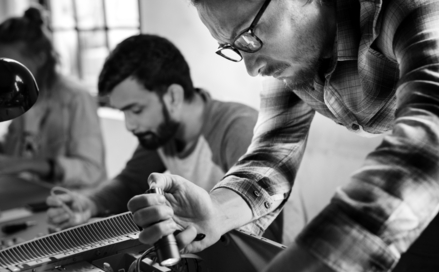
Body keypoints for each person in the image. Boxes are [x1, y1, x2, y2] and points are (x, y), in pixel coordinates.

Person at [127, 0, 439, 272]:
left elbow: (424, 155)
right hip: (429, 179)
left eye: (249, 36)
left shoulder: (415, 7)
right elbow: (273, 152)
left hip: (432, 163)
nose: (252, 68)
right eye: (234, 48)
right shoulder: (293, 54)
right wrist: (216, 211)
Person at [47, 34, 294, 243]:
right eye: (123, 112)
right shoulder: (162, 132)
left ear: (173, 96)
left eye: (136, 110)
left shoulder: (238, 130)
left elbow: (264, 232)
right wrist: (89, 203)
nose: (129, 125)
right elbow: (129, 183)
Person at [0, 6, 106, 189]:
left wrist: (28, 165)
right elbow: (14, 147)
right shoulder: (19, 94)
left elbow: (90, 169)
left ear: (40, 58)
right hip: (30, 196)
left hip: (75, 204)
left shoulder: (75, 97)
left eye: (10, 64)